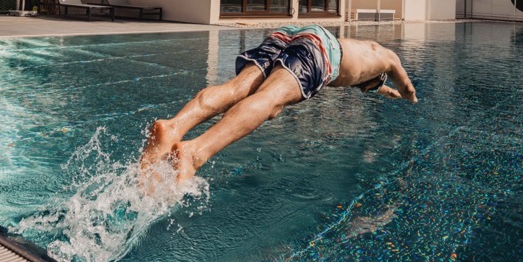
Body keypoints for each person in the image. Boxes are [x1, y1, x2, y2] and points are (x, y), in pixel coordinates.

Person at [141, 24, 417, 183]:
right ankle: (195, 152)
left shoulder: (370, 52)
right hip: (321, 48)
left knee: (238, 88)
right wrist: (412, 98)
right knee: (270, 100)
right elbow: (407, 89)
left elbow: (385, 91)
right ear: (374, 79)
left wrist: (388, 92)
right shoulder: (391, 59)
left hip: (291, 32)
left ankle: (174, 126)